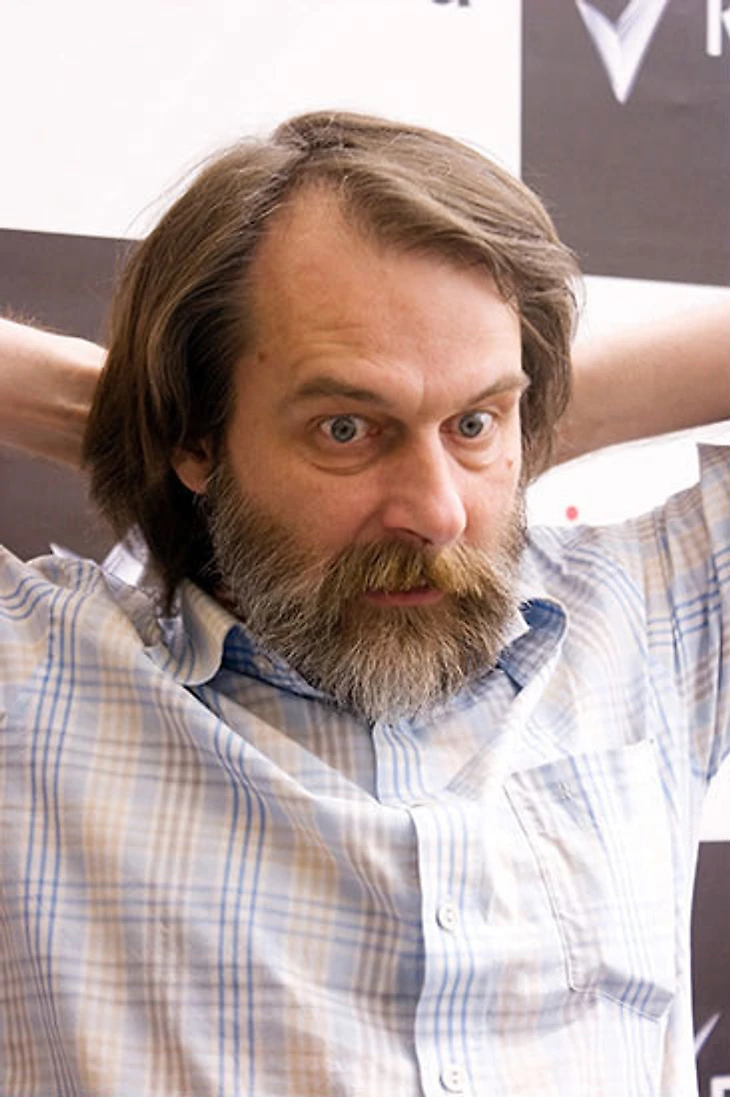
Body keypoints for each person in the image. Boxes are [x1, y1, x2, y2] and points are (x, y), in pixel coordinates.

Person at [0, 110, 728, 1097]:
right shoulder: (37, 682)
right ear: (197, 437)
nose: (436, 512)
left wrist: (542, 407)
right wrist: (107, 410)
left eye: (475, 423)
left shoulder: (647, 614)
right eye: (345, 427)